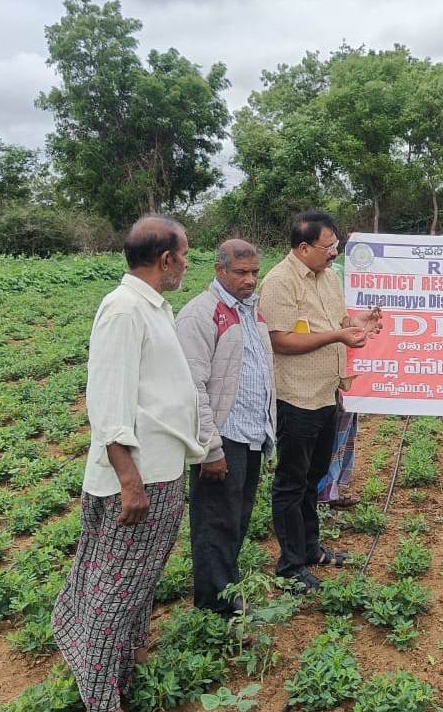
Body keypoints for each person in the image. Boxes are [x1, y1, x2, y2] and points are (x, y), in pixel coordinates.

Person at [52, 215, 206, 712]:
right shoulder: (123, 310)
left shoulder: (151, 307)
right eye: (184, 255)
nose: (187, 264)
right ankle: (99, 696)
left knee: (132, 583)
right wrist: (129, 483)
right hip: (139, 481)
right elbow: (108, 402)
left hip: (159, 469)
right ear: (165, 260)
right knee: (114, 592)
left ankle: (119, 669)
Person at [258, 210, 382, 592]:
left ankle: (311, 549)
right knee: (291, 482)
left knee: (314, 478)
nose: (334, 253)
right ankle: (290, 564)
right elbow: (279, 340)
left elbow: (337, 319)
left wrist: (358, 322)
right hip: (296, 397)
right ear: (303, 247)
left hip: (328, 392)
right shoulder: (279, 282)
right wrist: (337, 337)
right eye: (329, 247)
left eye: (336, 246)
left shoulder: (329, 277)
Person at [174, 239, 274, 616]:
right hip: (223, 435)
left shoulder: (250, 310)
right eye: (241, 272)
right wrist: (210, 447)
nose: (250, 280)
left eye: (254, 272)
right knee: (215, 523)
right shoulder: (201, 315)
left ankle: (225, 590)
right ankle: (215, 609)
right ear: (219, 271)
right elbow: (191, 385)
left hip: (250, 432)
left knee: (236, 519)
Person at [317, 258, 360, 508]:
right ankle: (323, 491)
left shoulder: (338, 277)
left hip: (349, 371)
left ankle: (331, 488)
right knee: (331, 432)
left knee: (344, 430)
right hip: (328, 373)